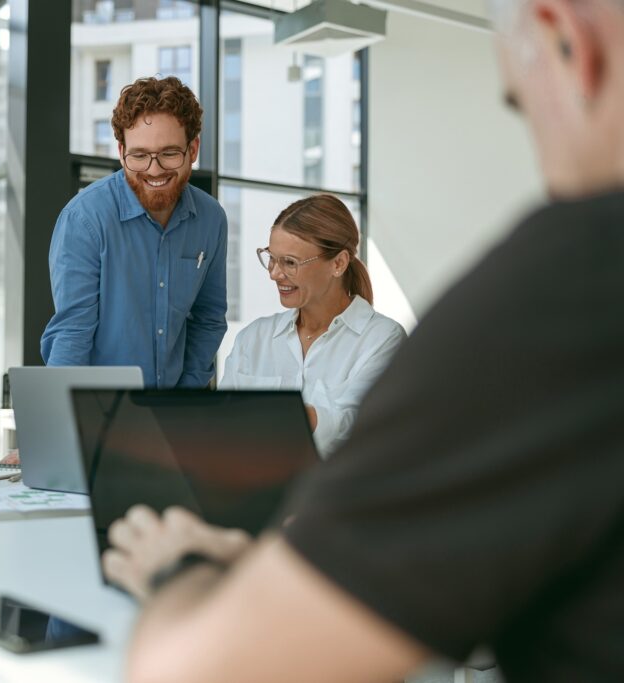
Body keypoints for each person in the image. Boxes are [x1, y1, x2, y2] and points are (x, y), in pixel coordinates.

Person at [102, 0, 624, 681]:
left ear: (566, 42)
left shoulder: (565, 296)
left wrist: (181, 568)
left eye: (519, 107)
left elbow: (199, 667)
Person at [41, 76, 227, 389]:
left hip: (172, 413)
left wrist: (186, 397)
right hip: (98, 408)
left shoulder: (211, 219)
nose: (154, 169)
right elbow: (72, 330)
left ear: (193, 149)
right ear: (121, 150)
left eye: (169, 153)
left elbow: (208, 318)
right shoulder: (86, 218)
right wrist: (62, 420)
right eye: (139, 155)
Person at [220, 194, 405, 455]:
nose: (274, 273)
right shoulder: (253, 339)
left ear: (338, 263)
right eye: (271, 258)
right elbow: (222, 433)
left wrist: (274, 414)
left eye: (290, 263)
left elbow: (362, 431)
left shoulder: (382, 339)